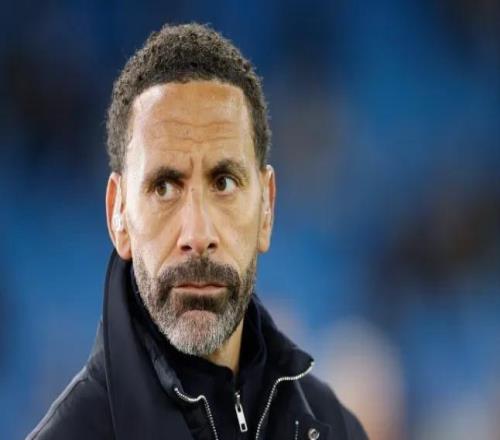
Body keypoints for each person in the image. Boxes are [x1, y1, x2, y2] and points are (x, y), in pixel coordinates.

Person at [27, 23, 368, 440]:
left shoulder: (333, 425)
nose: (198, 233)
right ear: (119, 214)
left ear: (266, 208)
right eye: (164, 187)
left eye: (223, 182)